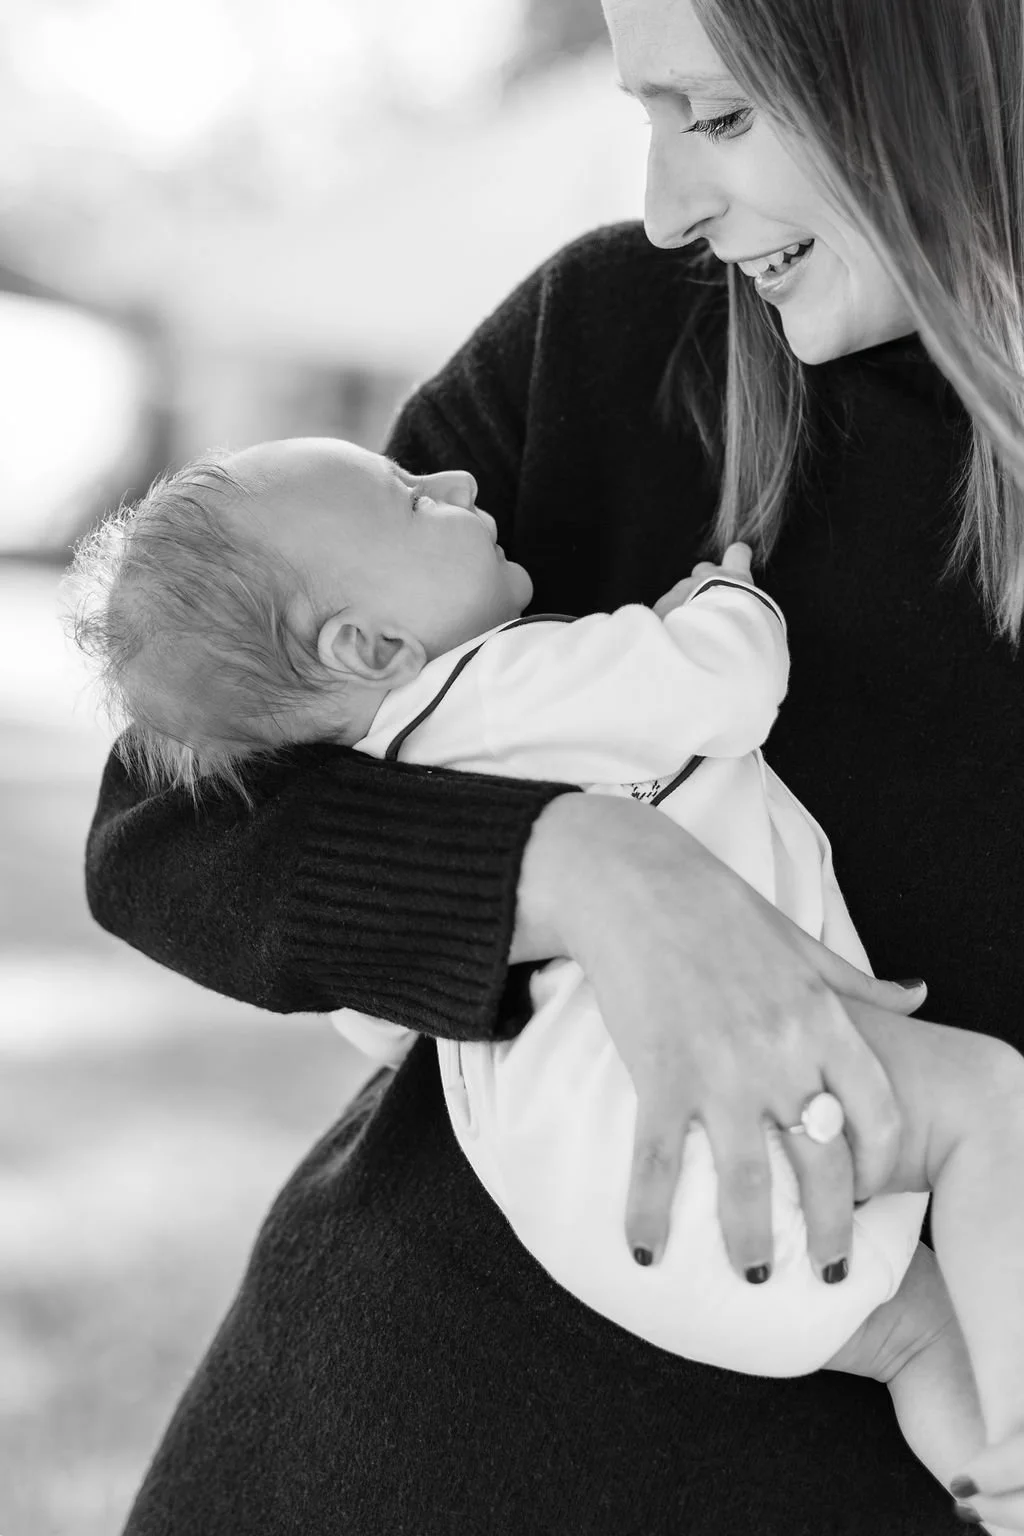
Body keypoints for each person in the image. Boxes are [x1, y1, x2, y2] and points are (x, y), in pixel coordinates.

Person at [78, 0, 1024, 1529]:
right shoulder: (610, 335)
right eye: (646, 110)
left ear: (938, 75)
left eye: (720, 116)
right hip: (379, 1447)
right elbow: (166, 825)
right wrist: (579, 870)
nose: (664, 207)